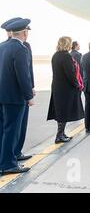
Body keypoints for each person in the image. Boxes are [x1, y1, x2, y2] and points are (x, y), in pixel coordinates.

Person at [0, 18, 34, 175]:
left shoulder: (2, 46)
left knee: (3, 129)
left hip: (2, 95)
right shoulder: (20, 49)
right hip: (14, 96)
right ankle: (8, 164)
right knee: (13, 129)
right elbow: (23, 75)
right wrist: (29, 95)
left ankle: (5, 159)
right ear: (25, 33)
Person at [47, 37, 84, 143]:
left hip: (57, 86)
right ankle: (59, 135)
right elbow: (70, 74)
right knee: (64, 111)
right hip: (65, 88)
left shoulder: (56, 55)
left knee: (60, 110)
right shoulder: (66, 56)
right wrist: (77, 85)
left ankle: (61, 133)